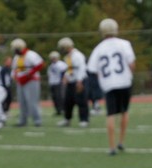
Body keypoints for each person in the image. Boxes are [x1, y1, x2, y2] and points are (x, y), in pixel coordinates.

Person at [86, 18, 136, 156]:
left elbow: (92, 69)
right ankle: (121, 141)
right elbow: (131, 63)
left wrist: (101, 81)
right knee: (124, 111)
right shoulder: (124, 44)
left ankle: (112, 146)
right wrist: (129, 75)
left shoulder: (99, 48)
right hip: (125, 81)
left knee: (111, 114)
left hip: (109, 84)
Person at [10, 38, 44, 127]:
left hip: (31, 80)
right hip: (20, 81)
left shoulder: (31, 54)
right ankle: (22, 120)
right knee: (22, 101)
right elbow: (14, 69)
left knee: (32, 101)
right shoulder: (16, 57)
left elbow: (40, 64)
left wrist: (30, 74)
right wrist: (14, 76)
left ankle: (37, 120)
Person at [57, 37, 89, 128]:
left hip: (79, 80)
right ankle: (67, 119)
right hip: (71, 81)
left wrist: (79, 81)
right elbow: (69, 69)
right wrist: (66, 77)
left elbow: (81, 69)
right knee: (68, 101)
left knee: (81, 101)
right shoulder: (67, 57)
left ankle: (84, 120)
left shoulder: (77, 55)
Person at [47, 51, 66, 116]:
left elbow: (64, 72)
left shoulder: (61, 64)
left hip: (59, 82)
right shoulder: (51, 66)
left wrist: (63, 80)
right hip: (53, 83)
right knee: (54, 97)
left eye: (54, 58)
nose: (53, 59)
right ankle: (58, 110)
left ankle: (62, 109)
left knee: (60, 97)